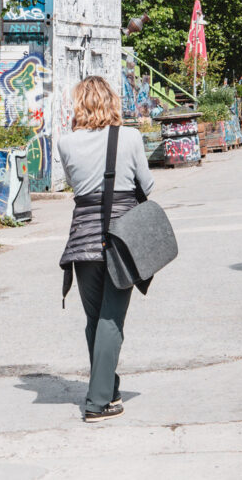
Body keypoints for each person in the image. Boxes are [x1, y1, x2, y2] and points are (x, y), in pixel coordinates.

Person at [56, 75, 155, 423]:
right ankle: (97, 402)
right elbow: (148, 184)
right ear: (112, 101)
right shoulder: (130, 137)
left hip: (82, 242)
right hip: (122, 240)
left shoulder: (66, 143)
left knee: (95, 320)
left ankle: (108, 390)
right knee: (111, 319)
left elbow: (74, 185)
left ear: (79, 104)